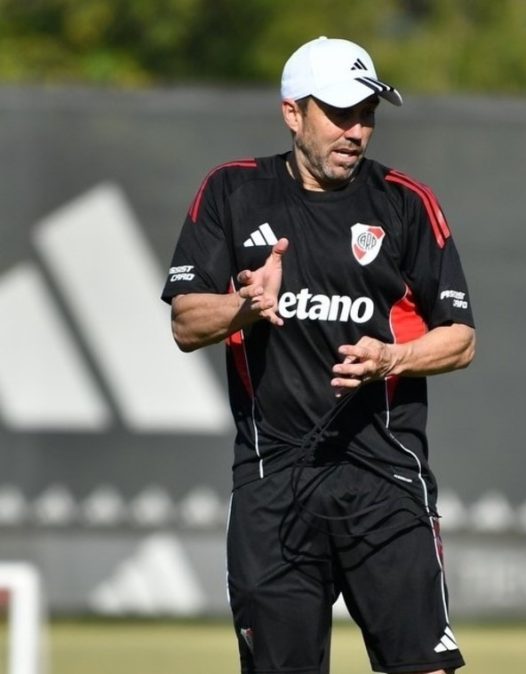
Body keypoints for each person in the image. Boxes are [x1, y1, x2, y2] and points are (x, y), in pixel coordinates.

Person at [161, 36, 475, 674]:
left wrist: (391, 358)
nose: (356, 130)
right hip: (272, 481)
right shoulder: (232, 192)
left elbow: (461, 338)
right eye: (338, 113)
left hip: (385, 480)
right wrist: (247, 306)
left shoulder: (405, 202)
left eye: (367, 113)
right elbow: (186, 321)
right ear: (292, 112)